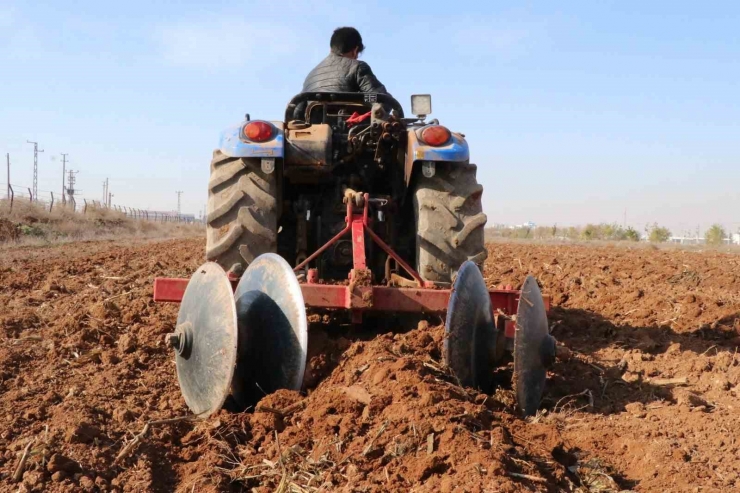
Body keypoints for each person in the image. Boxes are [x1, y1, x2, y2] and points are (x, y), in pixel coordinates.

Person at [294, 27, 392, 120]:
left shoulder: (311, 76)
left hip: (314, 134)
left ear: (332, 49)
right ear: (355, 50)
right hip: (350, 133)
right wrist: (363, 99)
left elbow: (297, 114)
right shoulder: (357, 67)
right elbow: (380, 100)